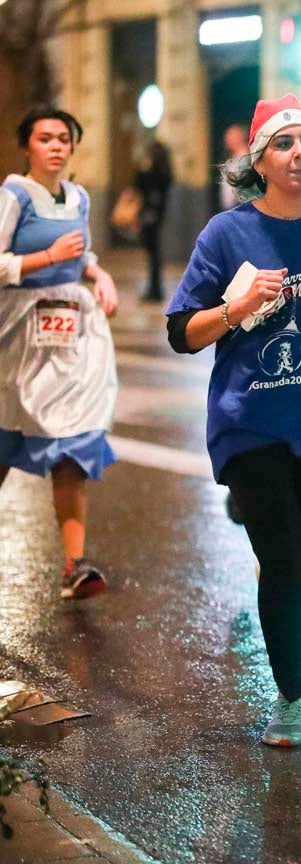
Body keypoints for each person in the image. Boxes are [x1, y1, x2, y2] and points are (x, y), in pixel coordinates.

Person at [165, 94, 301, 748]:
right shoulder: (225, 234)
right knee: (286, 561)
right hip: (252, 420)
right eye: (285, 144)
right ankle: (291, 697)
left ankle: (277, 555)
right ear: (259, 162)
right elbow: (182, 333)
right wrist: (236, 309)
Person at [0, 106, 119, 600]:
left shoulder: (79, 197)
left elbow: (82, 251)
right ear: (27, 145)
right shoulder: (12, 195)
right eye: (45, 137)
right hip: (18, 333)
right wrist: (46, 258)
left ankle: (75, 565)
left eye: (64, 138)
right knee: (5, 441)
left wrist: (98, 273)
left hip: (70, 333)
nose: (55, 146)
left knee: (71, 441)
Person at [134, 140, 172, 302]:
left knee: (153, 254)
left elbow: (137, 184)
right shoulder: (166, 172)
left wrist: (142, 169)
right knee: (155, 254)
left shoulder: (151, 172)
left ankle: (154, 289)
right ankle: (155, 288)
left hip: (149, 216)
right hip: (158, 215)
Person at [218, 123, 248, 211]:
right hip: (230, 209)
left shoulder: (247, 160)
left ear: (239, 138)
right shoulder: (233, 160)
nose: (226, 140)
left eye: (230, 136)